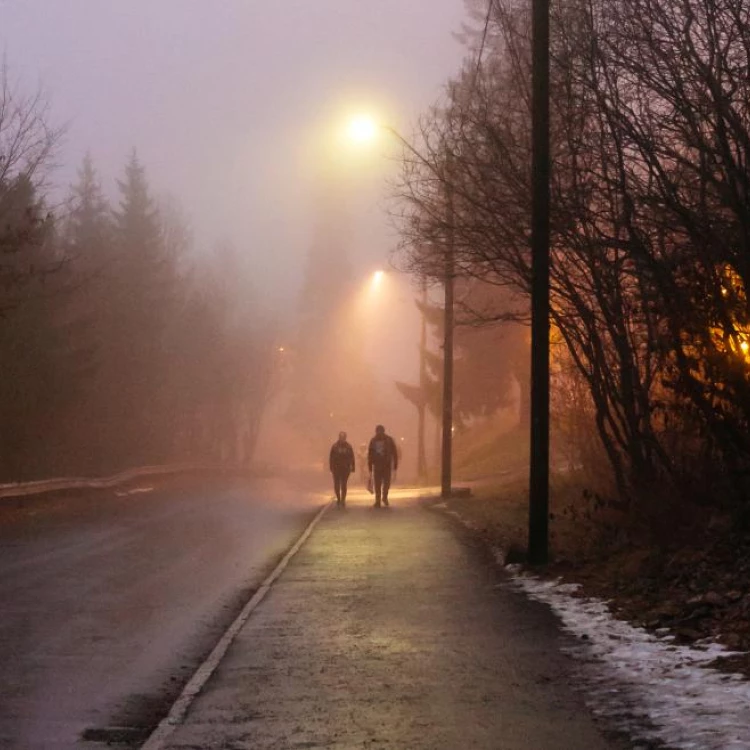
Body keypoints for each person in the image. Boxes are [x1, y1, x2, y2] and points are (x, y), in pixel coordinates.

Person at [367, 424, 398, 508]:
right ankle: (378, 500)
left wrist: (395, 466)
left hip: (386, 465)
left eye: (380, 431)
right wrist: (370, 467)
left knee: (386, 483)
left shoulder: (389, 440)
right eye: (378, 431)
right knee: (377, 484)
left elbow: (394, 453)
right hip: (377, 465)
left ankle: (384, 497)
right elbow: (370, 455)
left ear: (383, 431)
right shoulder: (373, 441)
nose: (379, 433)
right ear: (376, 431)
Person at [329, 431, 355, 507]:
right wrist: (331, 466)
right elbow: (331, 457)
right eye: (341, 437)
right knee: (336, 484)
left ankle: (343, 499)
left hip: (345, 468)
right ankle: (338, 498)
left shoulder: (348, 447)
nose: (342, 439)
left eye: (343, 437)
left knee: (344, 484)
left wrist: (353, 467)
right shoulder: (334, 446)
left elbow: (352, 457)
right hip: (336, 468)